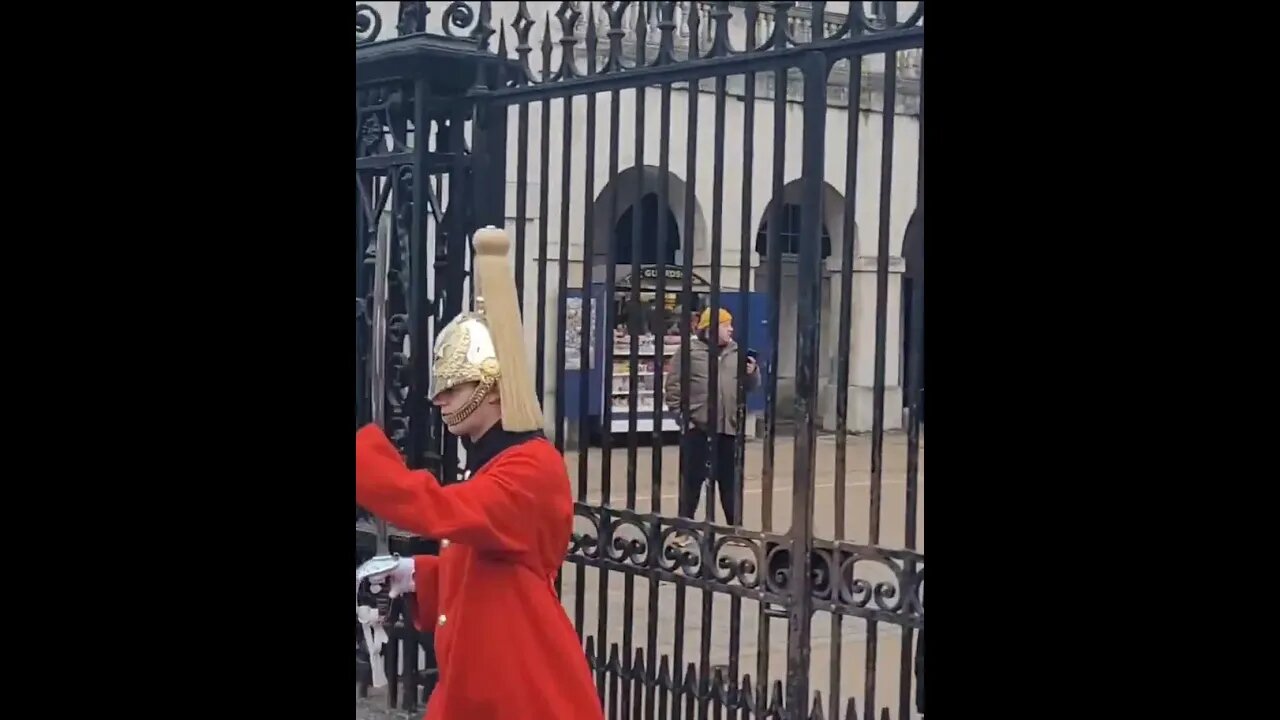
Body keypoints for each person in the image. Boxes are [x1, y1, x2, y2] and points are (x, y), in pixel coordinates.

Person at [354, 226, 603, 720]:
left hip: (522, 686)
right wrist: (414, 574)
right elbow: (488, 567)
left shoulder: (530, 467)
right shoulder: (495, 461)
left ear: (491, 389)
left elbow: (443, 512)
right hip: (482, 677)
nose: (437, 399)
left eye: (452, 387)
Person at [663, 307, 760, 531]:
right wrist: (681, 416)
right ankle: (684, 528)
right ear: (712, 329)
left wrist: (752, 372)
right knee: (692, 482)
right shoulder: (689, 351)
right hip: (698, 427)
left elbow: (752, 386)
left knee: (729, 482)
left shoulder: (738, 352)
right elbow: (673, 385)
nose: (731, 329)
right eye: (727, 325)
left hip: (728, 428)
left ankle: (735, 528)